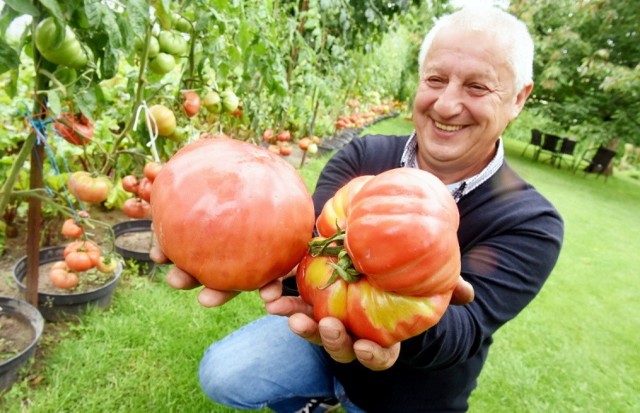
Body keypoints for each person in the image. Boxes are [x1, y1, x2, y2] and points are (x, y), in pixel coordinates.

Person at [151, 4, 564, 412]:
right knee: (224, 372)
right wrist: (211, 234)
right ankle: (313, 402)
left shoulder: (530, 222)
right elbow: (306, 249)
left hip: (410, 395)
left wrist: (408, 293)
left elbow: (463, 331)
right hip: (321, 347)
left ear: (518, 99)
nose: (446, 105)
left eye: (477, 87)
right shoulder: (363, 156)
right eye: (436, 79)